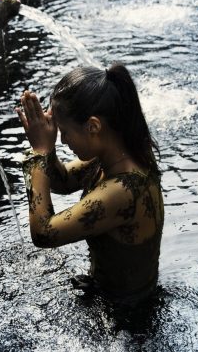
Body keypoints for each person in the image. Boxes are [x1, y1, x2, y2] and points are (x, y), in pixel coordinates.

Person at [16, 63, 164, 305]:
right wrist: (47, 144)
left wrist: (40, 152)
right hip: (107, 294)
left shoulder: (125, 190)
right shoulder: (116, 156)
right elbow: (62, 181)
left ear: (93, 126)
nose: (62, 140)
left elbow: (44, 233)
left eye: (64, 132)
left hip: (126, 315)